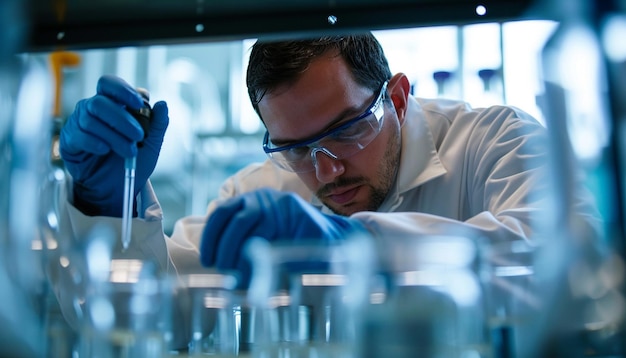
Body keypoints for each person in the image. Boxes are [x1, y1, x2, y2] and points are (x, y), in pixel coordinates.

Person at [56, 32, 600, 346]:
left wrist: (357, 249)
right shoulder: (259, 191)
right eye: (295, 147)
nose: (326, 171)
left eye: (346, 130)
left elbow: (572, 271)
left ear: (400, 98)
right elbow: (153, 318)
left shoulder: (495, 141)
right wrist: (109, 206)